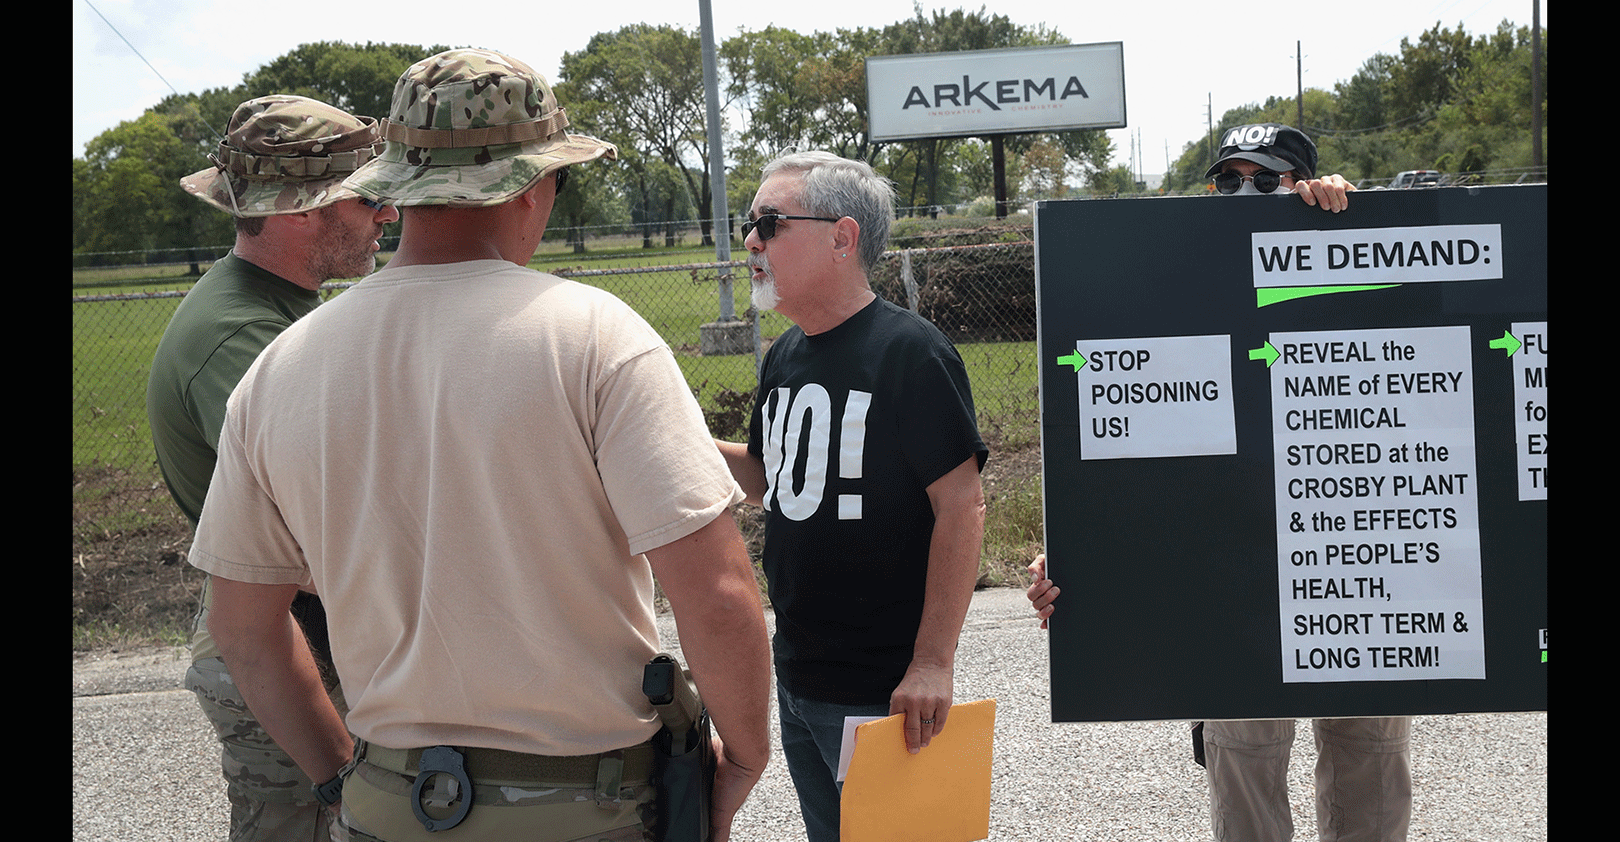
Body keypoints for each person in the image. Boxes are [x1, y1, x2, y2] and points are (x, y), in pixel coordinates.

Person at [186, 49, 772, 842]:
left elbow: (241, 628)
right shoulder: (595, 338)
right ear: (531, 186)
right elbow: (718, 595)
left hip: (392, 803)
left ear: (401, 183)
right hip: (586, 807)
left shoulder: (279, 369)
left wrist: (341, 777)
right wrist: (745, 754)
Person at [1027, 124, 1411, 842]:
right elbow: (1136, 447)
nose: (1243, 193)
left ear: (1305, 184)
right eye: (1228, 180)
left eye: (1266, 179)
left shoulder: (1356, 266)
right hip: (1235, 581)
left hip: (1358, 565)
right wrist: (1084, 549)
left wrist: (1363, 217)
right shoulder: (1176, 285)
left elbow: (1439, 308)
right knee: (1245, 777)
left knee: (1370, 767)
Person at [715, 151, 988, 842]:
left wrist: (932, 663)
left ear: (842, 238)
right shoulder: (785, 355)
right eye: (748, 225)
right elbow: (768, 477)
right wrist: (665, 428)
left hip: (885, 691)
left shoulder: (911, 353)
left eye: (770, 223)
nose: (751, 242)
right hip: (800, 678)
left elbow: (962, 507)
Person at [146, 93, 395, 842]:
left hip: (303, 629)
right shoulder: (242, 338)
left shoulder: (280, 309)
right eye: (368, 197)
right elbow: (320, 539)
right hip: (279, 646)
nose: (388, 214)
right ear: (300, 212)